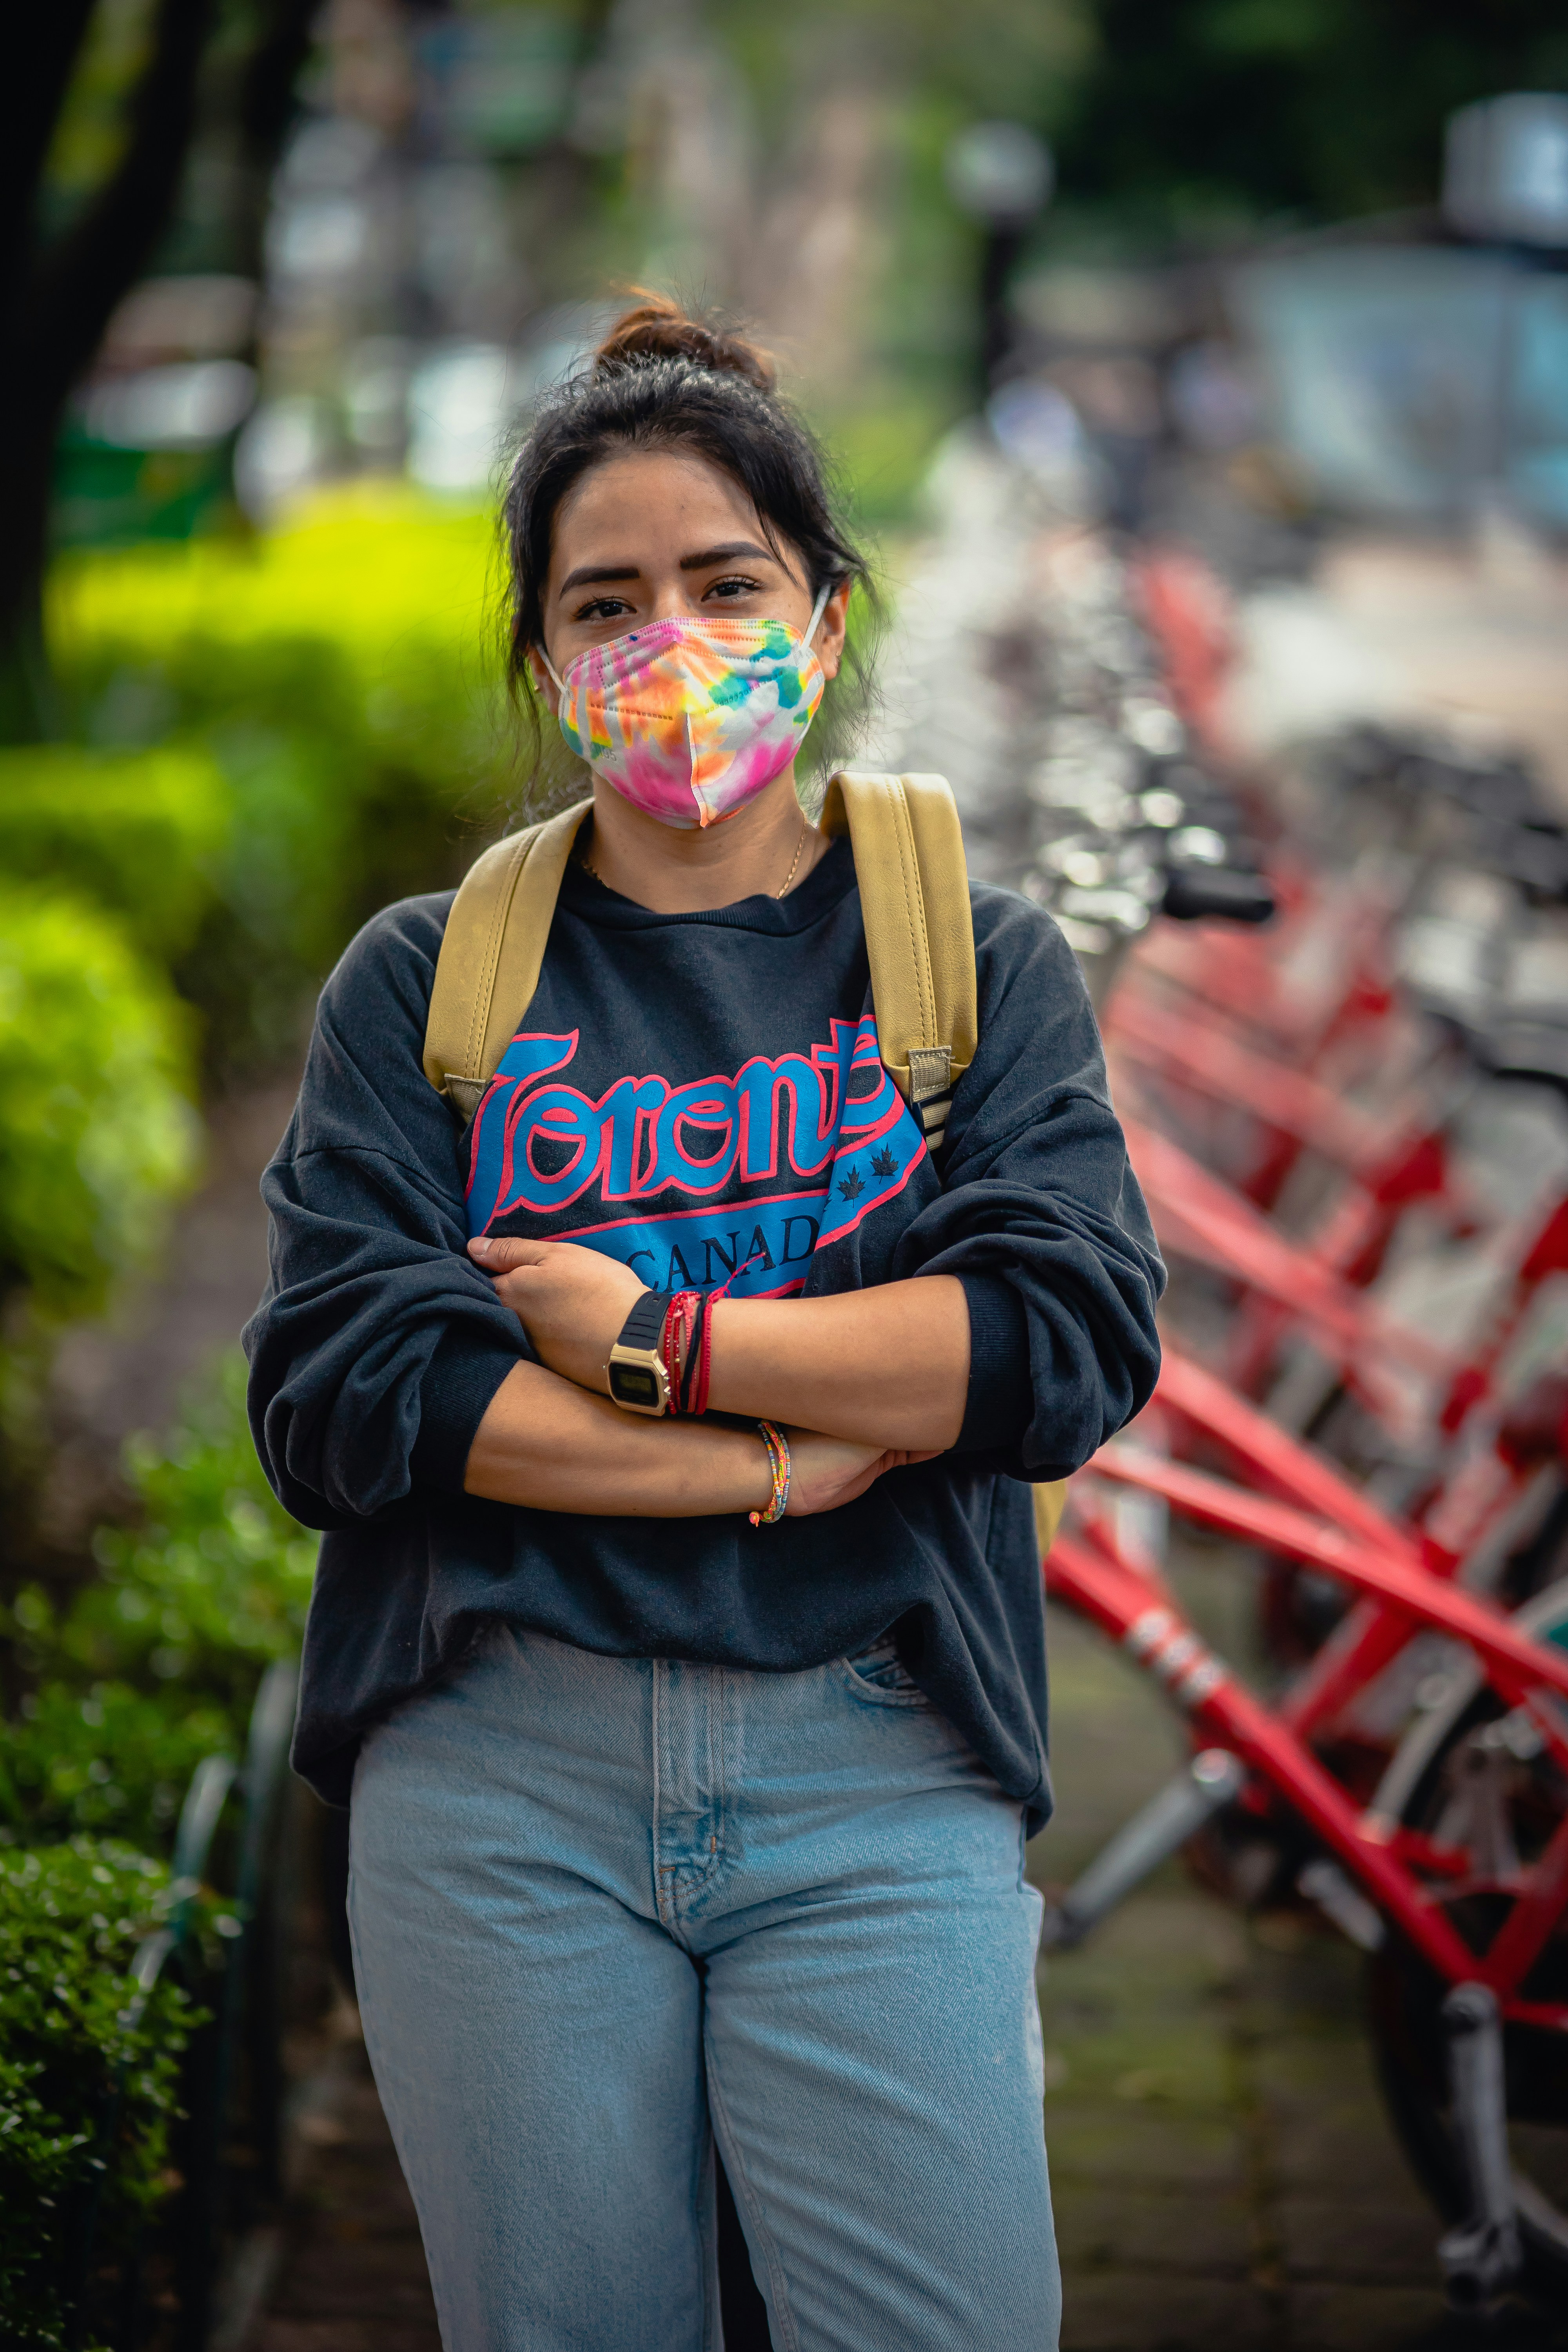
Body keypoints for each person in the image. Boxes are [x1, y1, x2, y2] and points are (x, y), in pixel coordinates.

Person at [245, 294, 1163, 2352]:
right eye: (606, 602)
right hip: (501, 1772)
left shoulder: (969, 957)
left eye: (725, 581)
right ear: (551, 663)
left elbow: (1056, 1342)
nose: (669, 642)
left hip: (882, 1756)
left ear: (825, 621)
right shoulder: (430, 985)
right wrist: (781, 1449)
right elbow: (350, 1390)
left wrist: (653, 1337)